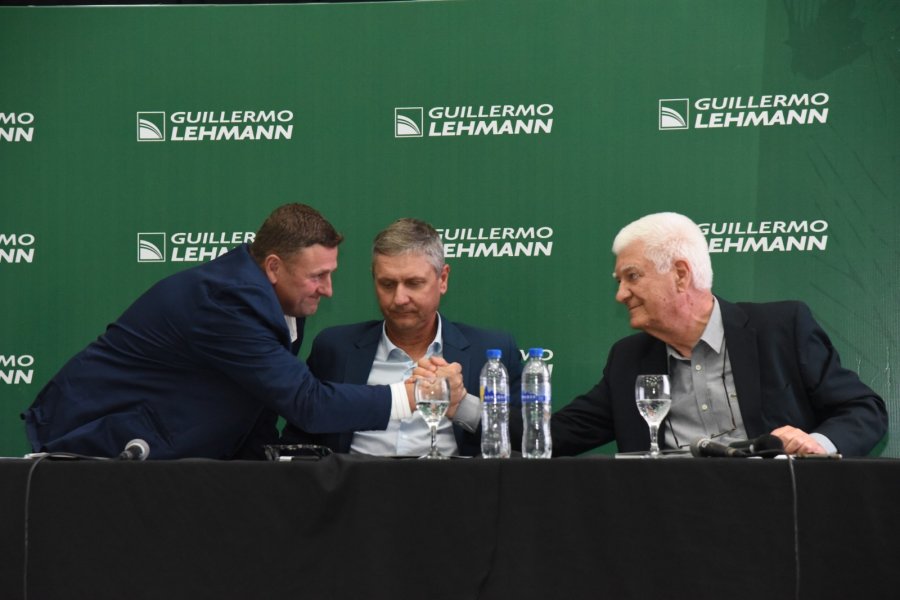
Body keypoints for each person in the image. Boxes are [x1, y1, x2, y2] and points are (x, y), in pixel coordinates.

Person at [22, 204, 465, 460]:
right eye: (317, 277)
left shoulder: (281, 298)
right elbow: (306, 403)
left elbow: (255, 400)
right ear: (273, 267)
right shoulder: (226, 303)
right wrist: (415, 395)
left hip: (165, 455)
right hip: (92, 446)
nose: (327, 290)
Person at [546, 212, 887, 457]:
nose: (621, 294)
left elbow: (864, 410)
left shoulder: (780, 328)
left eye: (632, 277)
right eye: (619, 281)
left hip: (775, 510)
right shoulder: (629, 358)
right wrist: (495, 419)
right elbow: (560, 432)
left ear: (680, 275)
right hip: (668, 523)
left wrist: (817, 442)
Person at [281, 218, 522, 457]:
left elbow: (525, 439)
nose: (399, 298)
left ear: (443, 279)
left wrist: (461, 404)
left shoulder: (491, 350)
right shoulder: (335, 348)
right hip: (356, 490)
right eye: (387, 284)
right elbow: (298, 444)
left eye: (414, 283)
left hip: (454, 490)